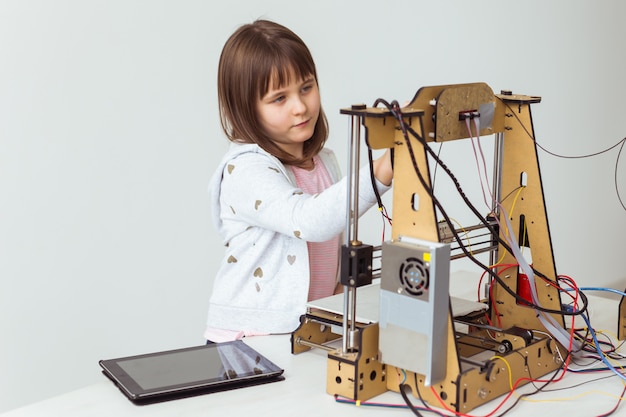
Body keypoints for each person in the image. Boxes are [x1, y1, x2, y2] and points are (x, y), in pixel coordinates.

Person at [205, 19, 393, 343]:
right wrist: (381, 170)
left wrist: (336, 285)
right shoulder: (245, 169)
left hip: (302, 331)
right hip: (248, 337)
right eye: (279, 98)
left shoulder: (324, 161)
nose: (300, 106)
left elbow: (333, 230)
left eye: (306, 87)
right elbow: (309, 220)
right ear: (246, 109)